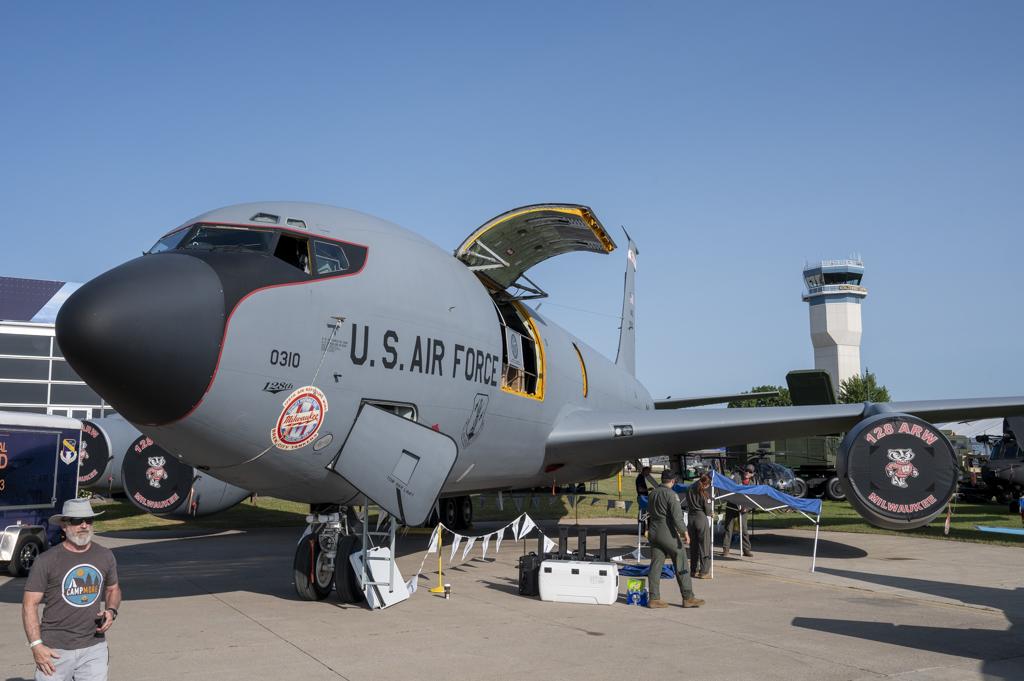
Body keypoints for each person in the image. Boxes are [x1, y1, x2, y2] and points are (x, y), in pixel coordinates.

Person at [22, 498, 121, 681]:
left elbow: (113, 589)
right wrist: (36, 646)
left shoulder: (105, 556)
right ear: (64, 525)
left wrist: (111, 610)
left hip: (94, 648)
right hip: (54, 651)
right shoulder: (46, 560)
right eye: (76, 521)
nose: (84, 525)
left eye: (88, 520)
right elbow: (30, 604)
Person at [646, 469, 704, 609]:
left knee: (656, 564)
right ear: (673, 481)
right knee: (681, 560)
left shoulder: (653, 493)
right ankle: (688, 597)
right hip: (666, 532)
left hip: (653, 531)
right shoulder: (671, 495)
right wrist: (685, 532)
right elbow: (677, 517)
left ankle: (654, 598)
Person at [722, 464, 756, 557]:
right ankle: (726, 549)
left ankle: (746, 550)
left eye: (750, 472)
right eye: (746, 470)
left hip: (744, 508)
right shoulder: (736, 477)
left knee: (744, 529)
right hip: (732, 505)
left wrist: (746, 508)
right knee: (729, 528)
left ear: (753, 474)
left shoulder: (752, 485)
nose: (747, 473)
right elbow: (727, 488)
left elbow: (753, 500)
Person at [686, 473, 713, 578]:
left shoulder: (689, 489)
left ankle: (693, 570)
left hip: (691, 518)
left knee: (694, 546)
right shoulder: (704, 493)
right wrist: (711, 513)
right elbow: (707, 510)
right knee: (704, 546)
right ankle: (704, 571)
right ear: (707, 484)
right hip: (701, 518)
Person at [635, 465, 657, 534]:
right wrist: (648, 489)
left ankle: (645, 529)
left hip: (644, 498)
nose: (649, 474)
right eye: (648, 472)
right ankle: (642, 530)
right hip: (642, 498)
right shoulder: (640, 478)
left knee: (646, 514)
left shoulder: (642, 477)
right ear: (644, 471)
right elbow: (640, 489)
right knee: (643, 515)